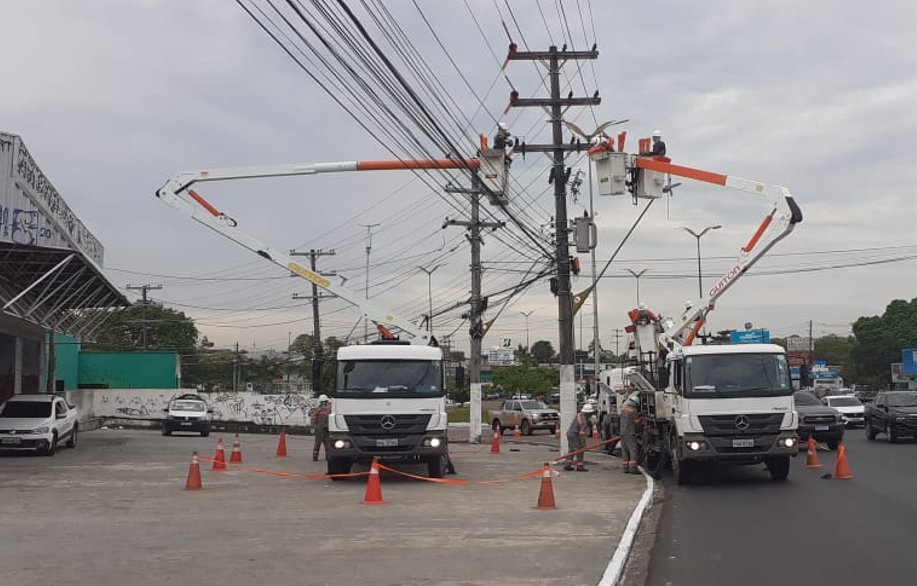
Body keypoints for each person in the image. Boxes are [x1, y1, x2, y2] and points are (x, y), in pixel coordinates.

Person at [619, 390, 642, 474]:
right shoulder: (633, 410)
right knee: (633, 450)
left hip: (622, 432)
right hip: (630, 433)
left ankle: (625, 467)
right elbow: (637, 422)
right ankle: (633, 468)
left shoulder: (623, 409)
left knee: (624, 450)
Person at [311, 394, 331, 462]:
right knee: (318, 443)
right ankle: (315, 456)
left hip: (326, 428)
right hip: (320, 428)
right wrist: (313, 426)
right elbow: (313, 418)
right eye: (325, 401)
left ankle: (328, 456)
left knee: (327, 443)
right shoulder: (318, 409)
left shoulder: (328, 409)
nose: (325, 403)